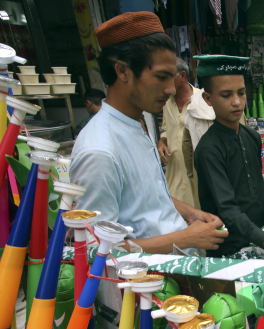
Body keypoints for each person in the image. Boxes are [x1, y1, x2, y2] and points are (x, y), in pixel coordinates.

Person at [71, 11, 227, 254]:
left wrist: (191, 213)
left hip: (178, 270)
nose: (169, 88)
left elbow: (148, 198)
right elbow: (95, 251)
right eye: (161, 77)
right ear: (122, 71)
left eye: (172, 77)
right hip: (148, 286)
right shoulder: (99, 151)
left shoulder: (136, 122)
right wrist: (184, 239)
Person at [193, 55, 264, 261]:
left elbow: (256, 182)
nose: (237, 101)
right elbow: (227, 210)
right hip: (229, 249)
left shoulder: (252, 137)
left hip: (259, 237)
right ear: (208, 99)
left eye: (241, 92)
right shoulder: (208, 149)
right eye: (226, 95)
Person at [181, 84, 247, 210]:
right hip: (234, 166)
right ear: (208, 98)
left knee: (211, 210)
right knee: (235, 207)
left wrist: (191, 172)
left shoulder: (191, 109)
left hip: (202, 168)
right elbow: (242, 138)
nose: (236, 101)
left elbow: (187, 144)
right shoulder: (234, 111)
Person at [156, 57, 197, 207]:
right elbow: (167, 129)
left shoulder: (201, 100)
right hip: (174, 171)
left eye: (168, 76)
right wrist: (162, 142)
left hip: (196, 172)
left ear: (182, 76)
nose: (164, 82)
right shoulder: (166, 102)